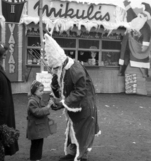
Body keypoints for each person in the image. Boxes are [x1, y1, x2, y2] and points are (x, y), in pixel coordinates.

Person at [44, 33, 100, 161]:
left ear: (61, 62)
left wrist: (63, 103)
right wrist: (55, 90)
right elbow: (60, 89)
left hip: (85, 105)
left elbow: (80, 91)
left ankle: (82, 156)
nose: (55, 70)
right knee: (72, 130)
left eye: (56, 68)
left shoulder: (75, 69)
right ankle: (72, 153)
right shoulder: (60, 70)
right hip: (74, 106)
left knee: (83, 131)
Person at [118, 0, 151, 77]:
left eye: (142, 16)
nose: (140, 17)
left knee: (142, 58)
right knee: (124, 57)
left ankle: (145, 73)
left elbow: (146, 40)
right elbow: (129, 11)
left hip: (137, 45)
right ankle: (121, 71)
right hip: (127, 43)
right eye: (140, 15)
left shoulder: (146, 28)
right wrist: (126, 3)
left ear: (146, 18)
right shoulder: (134, 20)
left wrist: (143, 46)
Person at [26, 80, 54, 161]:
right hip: (35, 128)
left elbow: (42, 107)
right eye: (40, 91)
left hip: (38, 127)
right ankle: (34, 159)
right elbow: (37, 112)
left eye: (43, 90)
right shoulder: (32, 101)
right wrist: (48, 106)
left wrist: (50, 100)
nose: (42, 92)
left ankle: (37, 158)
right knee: (35, 145)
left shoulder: (37, 99)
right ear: (34, 91)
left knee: (39, 144)